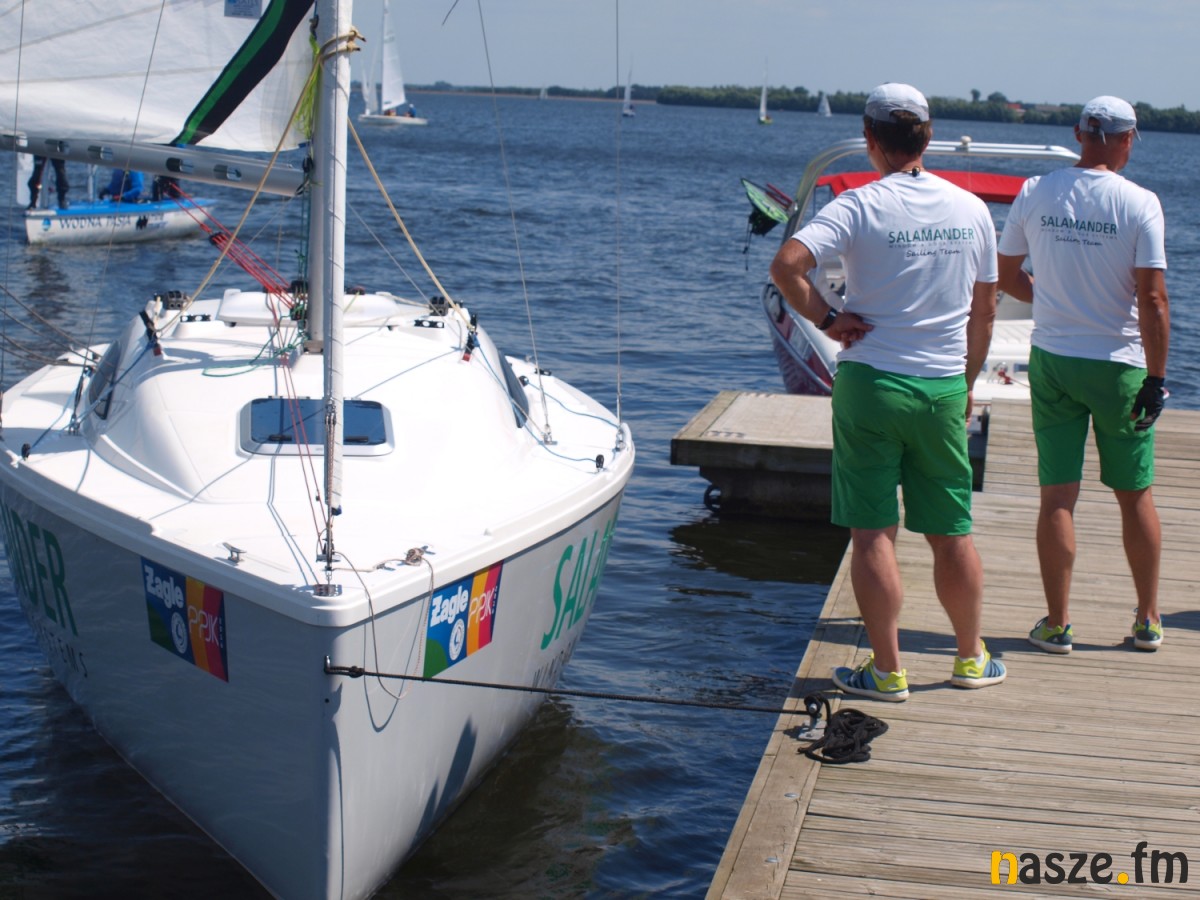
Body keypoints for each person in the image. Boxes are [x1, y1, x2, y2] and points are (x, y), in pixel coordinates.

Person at [770, 83, 1006, 701]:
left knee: (873, 533)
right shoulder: (972, 209)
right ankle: (970, 659)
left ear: (870, 137)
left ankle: (887, 670)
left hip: (872, 384)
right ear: (928, 136)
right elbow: (984, 312)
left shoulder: (858, 206)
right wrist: (967, 381)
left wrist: (828, 319)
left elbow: (786, 267)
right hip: (941, 388)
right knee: (952, 532)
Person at [997, 96, 1169, 654]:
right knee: (1135, 495)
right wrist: (1156, 379)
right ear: (1128, 138)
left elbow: (1005, 274)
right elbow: (1153, 300)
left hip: (1054, 361)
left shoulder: (1034, 191)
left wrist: (1050, 298)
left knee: (1057, 497)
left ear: (1078, 134)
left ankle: (1057, 623)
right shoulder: (1141, 203)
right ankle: (1148, 620)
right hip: (1119, 365)